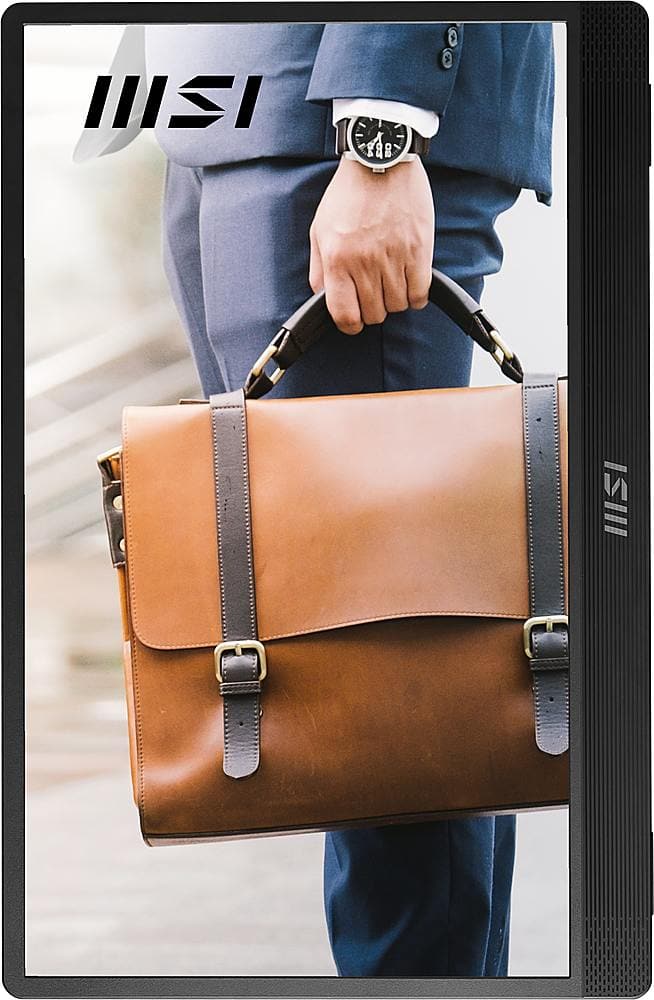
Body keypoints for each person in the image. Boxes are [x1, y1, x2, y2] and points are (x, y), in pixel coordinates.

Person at [78, 20, 554, 977]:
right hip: (214, 104)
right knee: (352, 684)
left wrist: (384, 131)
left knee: (397, 684)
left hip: (338, 118)